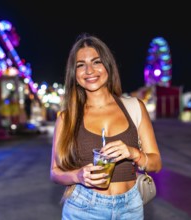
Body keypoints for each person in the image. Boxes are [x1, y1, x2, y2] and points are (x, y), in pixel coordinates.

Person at [50, 33, 162, 219]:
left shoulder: (135, 107)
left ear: (108, 66)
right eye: (80, 65)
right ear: (74, 74)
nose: (89, 70)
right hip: (83, 207)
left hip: (131, 207)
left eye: (96, 62)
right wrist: (77, 176)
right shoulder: (67, 118)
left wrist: (133, 153)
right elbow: (55, 173)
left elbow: (156, 163)